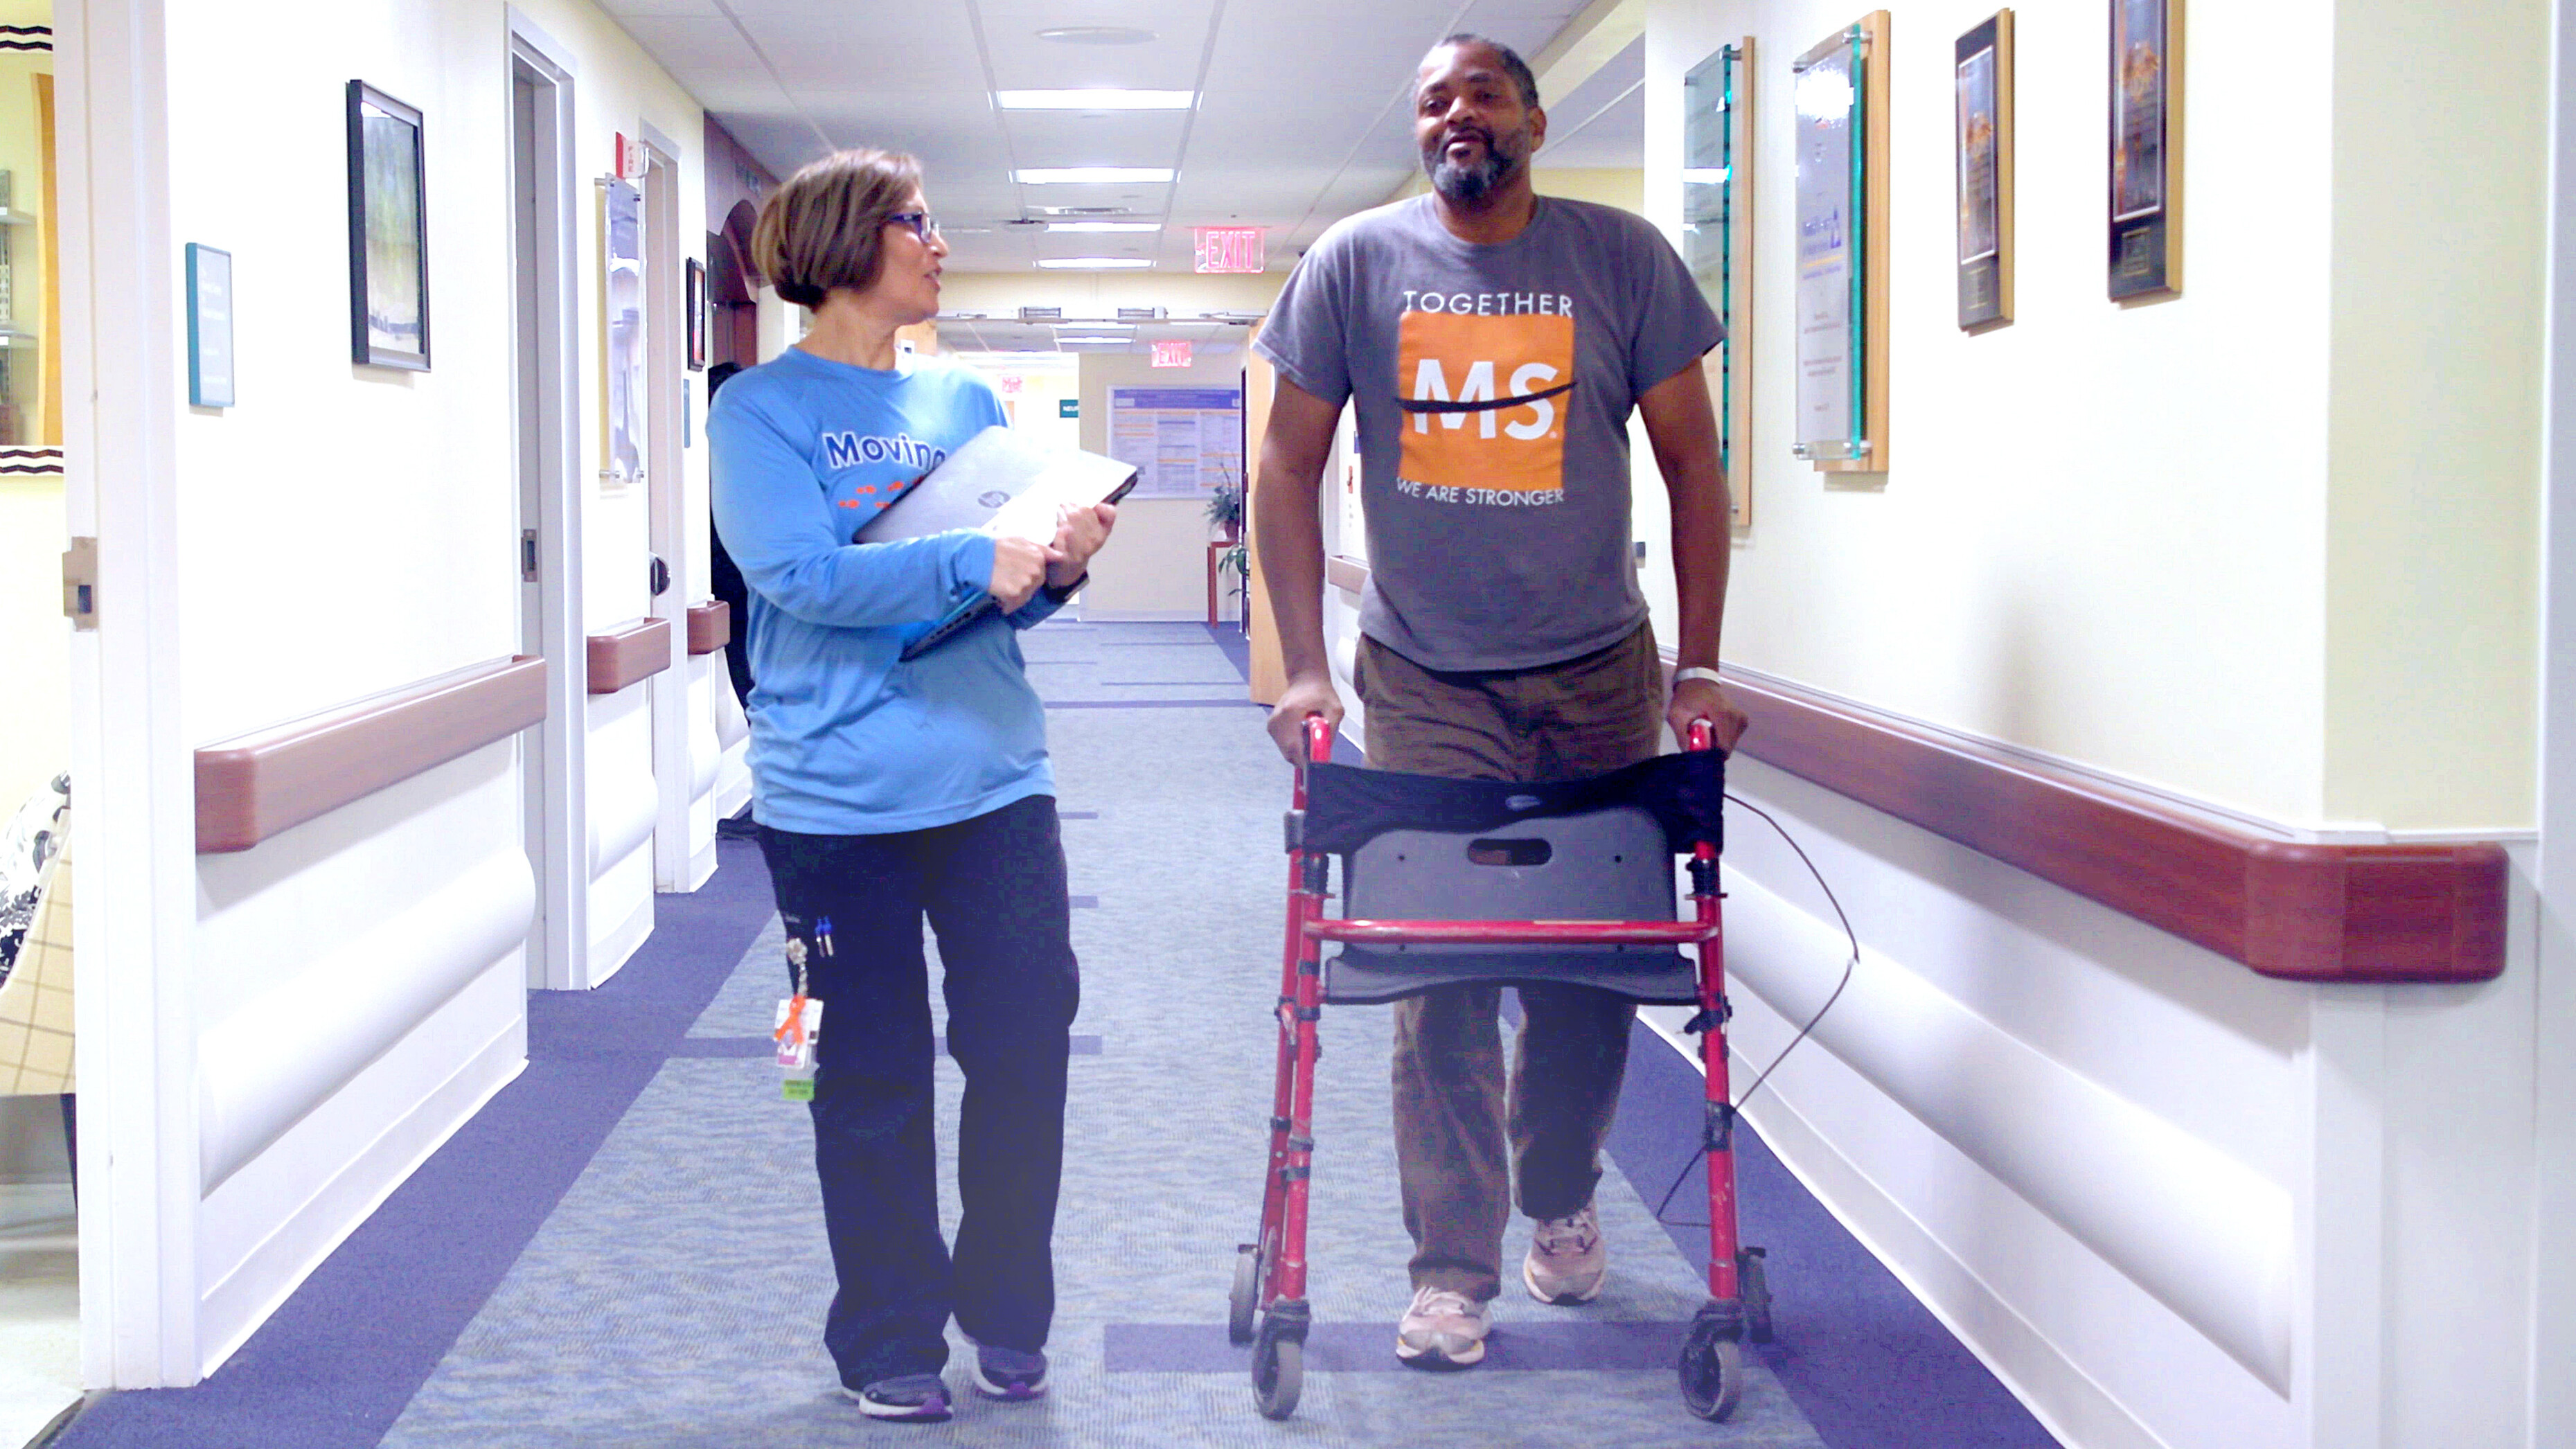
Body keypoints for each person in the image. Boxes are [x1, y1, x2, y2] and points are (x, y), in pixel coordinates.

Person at [1251, 34, 1750, 1370]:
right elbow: (1286, 468)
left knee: (1590, 969)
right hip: (1422, 677)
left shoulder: (1620, 256)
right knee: (1439, 975)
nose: (1455, 116)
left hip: (1599, 669)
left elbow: (1696, 465)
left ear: (1533, 115)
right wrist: (1306, 662)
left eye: (1481, 94)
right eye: (1430, 101)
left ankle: (1563, 1197)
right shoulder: (1355, 264)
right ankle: (1452, 1274)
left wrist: (1699, 660)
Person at [707, 148, 1116, 1423]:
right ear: (844, 243)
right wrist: (973, 561)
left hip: (997, 782)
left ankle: (1007, 1312)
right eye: (916, 223)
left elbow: (996, 606)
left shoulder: (966, 400)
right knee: (855, 1066)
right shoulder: (754, 411)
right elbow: (799, 579)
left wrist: (1053, 570)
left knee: (1023, 1046)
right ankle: (886, 1334)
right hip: (831, 808)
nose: (940, 244)